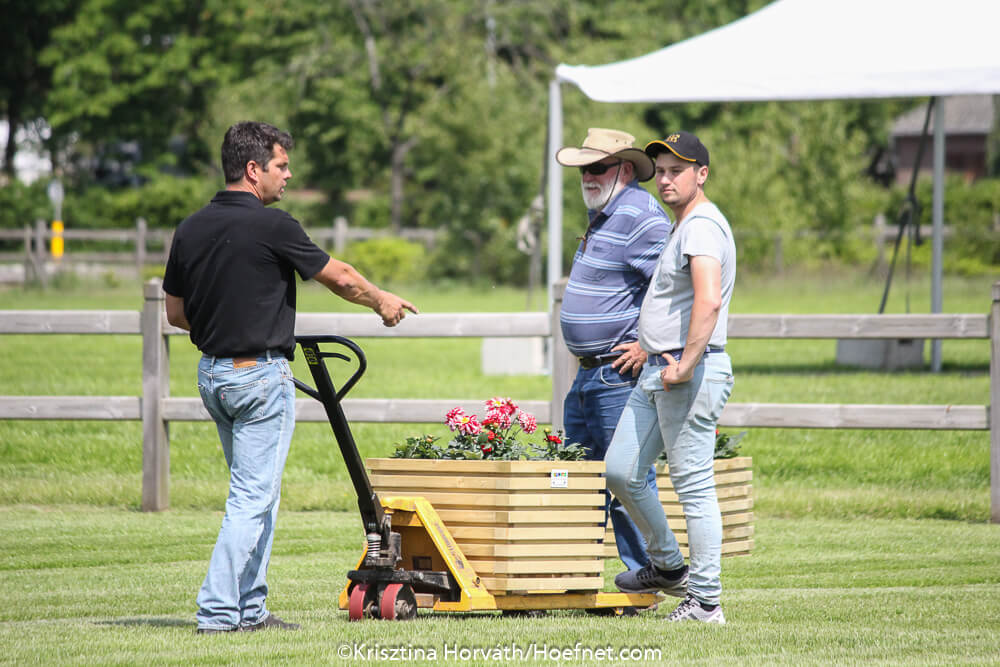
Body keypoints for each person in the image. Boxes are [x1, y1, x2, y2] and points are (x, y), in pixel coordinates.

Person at [163, 121, 417, 634]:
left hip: (213, 375)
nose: (289, 174)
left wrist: (222, 327)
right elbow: (340, 277)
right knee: (251, 498)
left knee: (259, 493)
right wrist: (382, 300)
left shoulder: (190, 228)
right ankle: (217, 612)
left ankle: (250, 609)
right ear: (253, 169)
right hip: (259, 377)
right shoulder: (272, 225)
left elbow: (175, 312)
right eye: (281, 165)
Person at [606, 131, 736, 624]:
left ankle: (705, 602)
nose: (665, 179)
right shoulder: (683, 224)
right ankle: (667, 567)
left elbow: (708, 299)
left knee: (694, 487)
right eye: (660, 171)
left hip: (686, 372)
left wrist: (686, 362)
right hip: (659, 370)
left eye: (676, 171)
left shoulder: (701, 226)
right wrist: (655, 348)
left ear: (701, 174)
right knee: (621, 470)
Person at [554, 128, 672, 582]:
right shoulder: (605, 213)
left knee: (626, 478)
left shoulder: (641, 215)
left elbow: (675, 288)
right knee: (580, 480)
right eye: (583, 168)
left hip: (617, 375)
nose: (587, 175)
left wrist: (647, 344)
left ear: (624, 169)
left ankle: (647, 577)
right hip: (590, 374)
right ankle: (575, 578)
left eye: (597, 167)